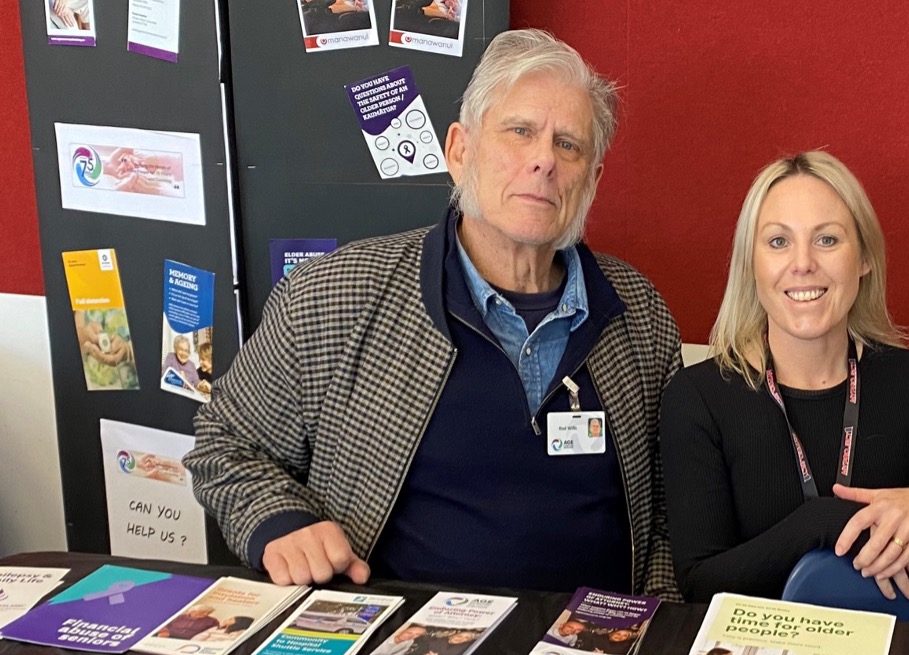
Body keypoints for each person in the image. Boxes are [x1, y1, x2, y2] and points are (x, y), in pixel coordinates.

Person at [187, 29, 682, 599]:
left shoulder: (639, 314)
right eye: (520, 132)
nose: (543, 160)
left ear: (591, 180)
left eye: (569, 145)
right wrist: (282, 523)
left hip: (597, 653)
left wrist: (656, 625)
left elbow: (669, 512)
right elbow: (226, 444)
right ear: (459, 151)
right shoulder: (334, 294)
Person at [661, 151, 909, 603]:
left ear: (863, 258)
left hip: (892, 652)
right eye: (778, 242)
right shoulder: (696, 398)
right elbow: (701, 584)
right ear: (752, 264)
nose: (802, 263)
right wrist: (821, 523)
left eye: (827, 240)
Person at [154, 605, 220, 641]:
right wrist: (164, 631)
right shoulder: (179, 617)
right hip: (170, 635)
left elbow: (216, 631)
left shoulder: (212, 621)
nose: (206, 614)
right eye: (203, 612)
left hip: (189, 639)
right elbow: (164, 624)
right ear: (193, 612)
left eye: (208, 612)